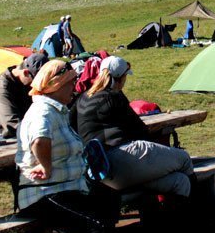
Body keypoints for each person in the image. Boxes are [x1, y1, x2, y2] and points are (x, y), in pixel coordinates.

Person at [16, 60, 118, 233]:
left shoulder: (56, 109)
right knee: (95, 224)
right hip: (43, 193)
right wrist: (46, 166)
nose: (75, 86)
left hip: (63, 188)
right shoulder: (43, 111)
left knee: (110, 202)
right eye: (72, 81)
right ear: (56, 84)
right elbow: (40, 141)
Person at [73, 56, 194, 199]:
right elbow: (139, 130)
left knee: (179, 181)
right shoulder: (114, 96)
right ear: (121, 78)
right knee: (184, 159)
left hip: (99, 170)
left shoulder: (82, 98)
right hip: (121, 159)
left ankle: (171, 220)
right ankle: (201, 212)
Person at [0, 51, 48, 140]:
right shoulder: (1, 89)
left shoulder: (24, 80)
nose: (38, 86)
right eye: (36, 81)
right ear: (25, 73)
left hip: (31, 134)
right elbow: (12, 123)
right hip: (10, 141)